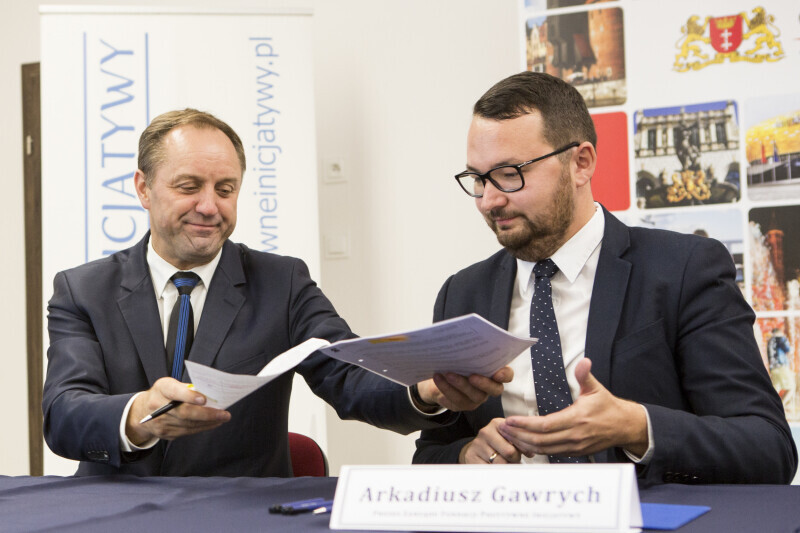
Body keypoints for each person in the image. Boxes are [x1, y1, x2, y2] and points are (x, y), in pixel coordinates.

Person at [43, 108, 511, 477]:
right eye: (189, 187)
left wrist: (426, 391)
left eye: (225, 189)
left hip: (241, 514)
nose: (209, 206)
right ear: (144, 189)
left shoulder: (281, 283)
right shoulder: (82, 290)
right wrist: (137, 416)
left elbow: (349, 375)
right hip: (117, 514)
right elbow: (64, 413)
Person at [413, 72, 797, 485]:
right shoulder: (463, 293)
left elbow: (767, 448)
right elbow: (430, 454)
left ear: (581, 163)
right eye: (478, 178)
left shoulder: (684, 270)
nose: (489, 200)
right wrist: (467, 455)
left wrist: (637, 427)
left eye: (510, 173)